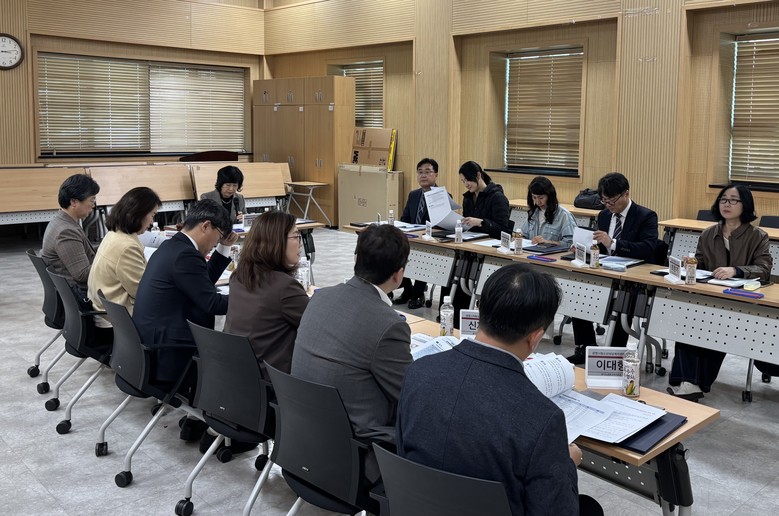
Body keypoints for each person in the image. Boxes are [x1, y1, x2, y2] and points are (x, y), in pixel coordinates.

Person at [397, 264, 603, 516]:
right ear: (535, 337)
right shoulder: (542, 417)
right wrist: (567, 464)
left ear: (480, 309)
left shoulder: (418, 372)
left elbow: (403, 455)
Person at [291, 224, 412, 481]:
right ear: (399, 274)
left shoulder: (319, 298)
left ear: (356, 259)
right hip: (355, 459)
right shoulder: (389, 324)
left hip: (302, 443)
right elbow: (409, 396)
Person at [133, 199, 238, 441]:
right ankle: (216, 425)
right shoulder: (185, 255)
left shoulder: (174, 247)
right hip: (169, 351)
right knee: (234, 357)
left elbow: (201, 284)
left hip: (150, 343)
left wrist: (224, 249)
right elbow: (212, 303)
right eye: (218, 236)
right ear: (206, 226)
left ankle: (195, 420)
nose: (216, 242)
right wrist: (253, 299)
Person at [668, 185, 772, 401]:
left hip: (739, 301)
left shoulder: (757, 236)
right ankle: (687, 382)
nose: (727, 204)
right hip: (708, 295)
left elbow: (764, 269)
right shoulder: (709, 233)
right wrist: (691, 263)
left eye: (734, 200)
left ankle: (692, 383)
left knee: (716, 325)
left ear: (745, 205)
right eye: (723, 199)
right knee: (687, 320)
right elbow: (701, 261)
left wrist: (736, 270)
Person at [568, 172, 658, 365]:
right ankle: (585, 346)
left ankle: (613, 355)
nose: (608, 205)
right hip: (605, 272)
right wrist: (583, 248)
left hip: (632, 278)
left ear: (626, 194)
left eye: (612, 201)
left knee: (623, 302)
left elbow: (648, 248)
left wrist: (614, 243)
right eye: (604, 201)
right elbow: (600, 248)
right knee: (578, 291)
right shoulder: (604, 215)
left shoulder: (646, 216)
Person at [224, 210, 309, 376]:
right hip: (272, 379)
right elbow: (318, 326)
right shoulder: (285, 287)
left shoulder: (239, 277)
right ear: (277, 241)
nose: (300, 244)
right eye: (296, 236)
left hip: (238, 374)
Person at [87, 187, 161, 317]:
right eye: (152, 215)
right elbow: (144, 293)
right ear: (139, 213)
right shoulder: (127, 247)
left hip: (105, 308)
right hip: (118, 318)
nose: (152, 222)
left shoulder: (115, 233)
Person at [41, 174, 100, 297]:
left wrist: (106, 248)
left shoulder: (60, 221)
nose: (93, 206)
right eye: (92, 201)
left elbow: (81, 250)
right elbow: (82, 274)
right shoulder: (66, 231)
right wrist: (112, 262)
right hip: (81, 294)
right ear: (74, 202)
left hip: (70, 291)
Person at [395, 157, 440, 309]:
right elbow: (405, 219)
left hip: (431, 242)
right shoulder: (413, 195)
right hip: (412, 238)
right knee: (394, 250)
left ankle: (418, 293)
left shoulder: (442, 196)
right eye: (420, 172)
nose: (423, 175)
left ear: (436, 175)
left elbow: (442, 224)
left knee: (424, 253)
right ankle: (408, 288)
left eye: (428, 172)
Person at [459, 160, 513, 239]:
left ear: (478, 175)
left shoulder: (497, 197)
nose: (466, 184)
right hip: (471, 240)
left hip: (491, 242)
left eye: (468, 180)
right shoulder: (468, 198)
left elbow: (503, 229)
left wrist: (481, 222)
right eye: (463, 181)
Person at [521, 176, 577, 247]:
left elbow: (571, 244)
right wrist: (519, 238)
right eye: (534, 197)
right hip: (531, 252)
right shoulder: (534, 212)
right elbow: (524, 235)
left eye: (541, 198)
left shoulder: (564, 215)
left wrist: (548, 242)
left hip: (553, 253)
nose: (537, 202)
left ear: (549, 196)